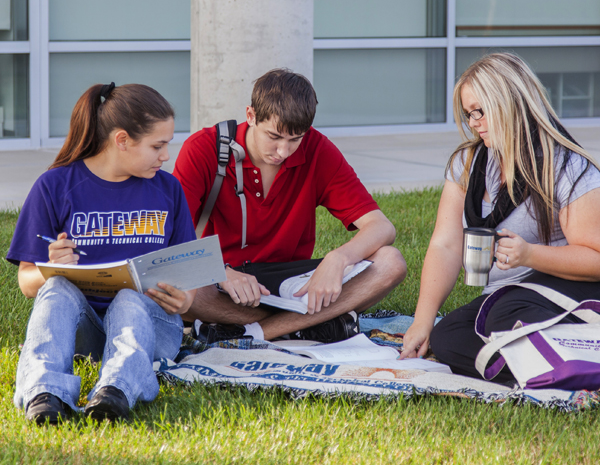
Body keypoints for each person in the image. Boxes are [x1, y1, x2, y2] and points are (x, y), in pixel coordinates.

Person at [400, 53, 600, 384]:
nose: (474, 122)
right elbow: (446, 244)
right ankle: (550, 371)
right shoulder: (467, 161)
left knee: (505, 313)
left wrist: (531, 255)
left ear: (510, 102)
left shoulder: (565, 166)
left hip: (570, 293)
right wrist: (423, 320)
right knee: (447, 335)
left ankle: (555, 362)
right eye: (468, 114)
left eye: (481, 110)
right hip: (504, 303)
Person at [8, 83, 197, 424]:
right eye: (158, 145)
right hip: (86, 331)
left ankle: (117, 391)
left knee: (129, 298)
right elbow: (26, 281)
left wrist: (185, 301)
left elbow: (188, 278)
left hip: (151, 327)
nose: (166, 156)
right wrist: (52, 267)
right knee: (55, 289)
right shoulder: (54, 186)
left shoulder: (168, 189)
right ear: (122, 140)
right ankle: (43, 392)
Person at [174, 68, 406, 343]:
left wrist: (339, 258)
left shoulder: (318, 149)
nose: (283, 151)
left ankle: (258, 332)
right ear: (250, 116)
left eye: (295, 139)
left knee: (391, 262)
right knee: (175, 286)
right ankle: (313, 324)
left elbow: (381, 226)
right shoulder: (203, 149)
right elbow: (173, 238)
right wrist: (220, 272)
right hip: (223, 280)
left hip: (292, 284)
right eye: (274, 136)